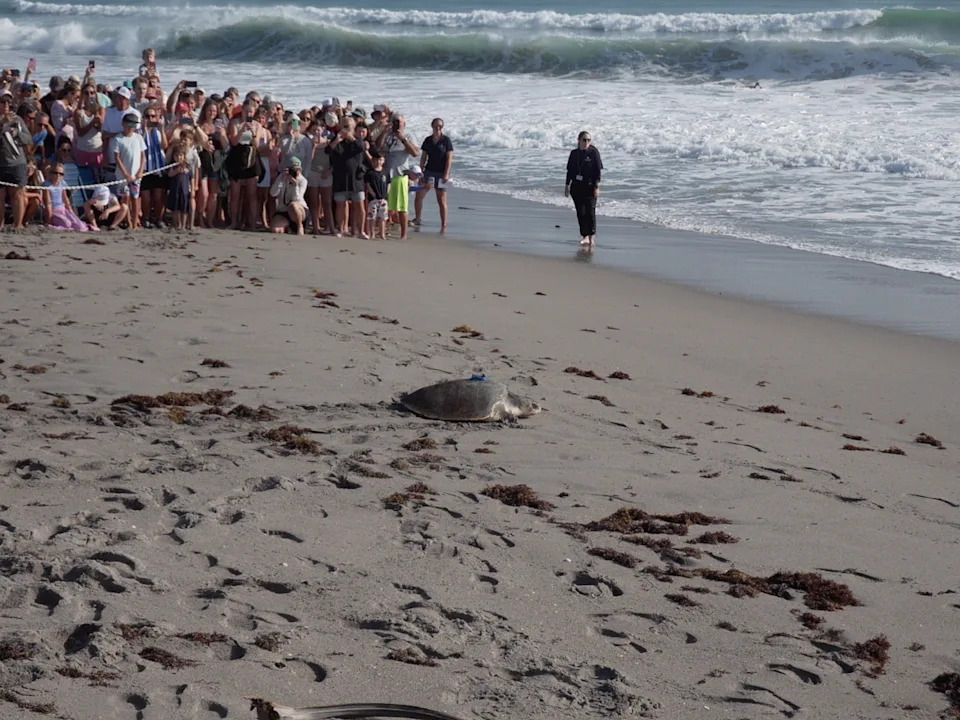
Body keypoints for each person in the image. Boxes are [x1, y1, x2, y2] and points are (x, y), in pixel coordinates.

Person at [375, 112, 419, 240]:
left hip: (400, 174)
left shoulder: (408, 135)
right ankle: (382, 230)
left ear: (404, 124)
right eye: (394, 121)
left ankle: (404, 234)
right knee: (385, 205)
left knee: (402, 207)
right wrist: (384, 131)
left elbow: (415, 153)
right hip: (386, 175)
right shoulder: (387, 135)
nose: (397, 124)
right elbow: (377, 147)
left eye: (399, 122)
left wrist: (402, 138)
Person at [326, 116, 367, 238]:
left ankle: (361, 231)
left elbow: (361, 148)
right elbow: (328, 151)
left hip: (355, 179)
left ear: (353, 127)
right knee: (340, 205)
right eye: (343, 125)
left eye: (348, 126)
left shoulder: (357, 140)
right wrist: (336, 140)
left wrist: (350, 137)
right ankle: (340, 229)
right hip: (340, 178)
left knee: (359, 205)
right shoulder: (336, 139)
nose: (345, 128)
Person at [414, 117, 454, 231]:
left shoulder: (446, 140)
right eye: (436, 125)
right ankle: (417, 219)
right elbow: (423, 157)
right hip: (429, 172)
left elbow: (449, 159)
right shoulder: (428, 140)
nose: (438, 128)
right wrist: (420, 172)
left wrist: (446, 174)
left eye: (440, 126)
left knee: (441, 200)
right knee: (419, 195)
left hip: (441, 174)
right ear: (432, 126)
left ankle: (444, 224)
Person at [0, 90, 32, 229]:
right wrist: (2, 126)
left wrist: (17, 132)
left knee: (18, 195)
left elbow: (28, 138)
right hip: (1, 162)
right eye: (3, 101)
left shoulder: (17, 119)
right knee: (0, 196)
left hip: (17, 161)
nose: (6, 105)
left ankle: (18, 226)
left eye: (9, 102)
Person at [564, 130, 602, 246]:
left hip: (590, 187)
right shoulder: (574, 154)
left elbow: (597, 171)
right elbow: (570, 171)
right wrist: (567, 185)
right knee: (581, 213)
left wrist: (597, 186)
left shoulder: (593, 152)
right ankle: (584, 236)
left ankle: (591, 237)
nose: (586, 142)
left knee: (590, 212)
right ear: (579, 140)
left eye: (589, 140)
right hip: (576, 187)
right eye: (584, 140)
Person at [111, 112, 147, 229]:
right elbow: (117, 158)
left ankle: (135, 222)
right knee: (125, 198)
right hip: (122, 176)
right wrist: (125, 174)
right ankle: (128, 222)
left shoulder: (138, 138)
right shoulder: (118, 139)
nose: (131, 127)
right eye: (129, 124)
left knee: (135, 198)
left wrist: (140, 171)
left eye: (133, 125)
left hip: (136, 175)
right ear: (123, 124)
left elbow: (143, 156)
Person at [44, 163, 95, 230]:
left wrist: (71, 212)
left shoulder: (62, 183)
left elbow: (65, 198)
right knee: (67, 224)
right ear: (50, 173)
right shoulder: (47, 185)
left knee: (80, 226)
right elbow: (48, 203)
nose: (58, 175)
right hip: (54, 211)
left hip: (63, 209)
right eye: (55, 173)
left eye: (61, 174)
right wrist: (49, 219)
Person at [269, 156, 307, 234]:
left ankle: (300, 226)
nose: (296, 171)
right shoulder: (281, 177)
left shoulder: (303, 180)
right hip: (283, 211)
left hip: (298, 211)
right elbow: (273, 193)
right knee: (275, 230)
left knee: (293, 205)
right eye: (293, 169)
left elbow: (297, 198)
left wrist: (295, 185)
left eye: (298, 169)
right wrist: (281, 180)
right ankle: (287, 227)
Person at [364, 150, 389, 240]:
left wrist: (387, 193)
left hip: (383, 199)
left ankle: (382, 234)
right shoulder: (370, 173)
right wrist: (373, 194)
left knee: (383, 218)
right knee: (372, 217)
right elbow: (367, 185)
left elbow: (389, 183)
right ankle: (372, 233)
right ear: (373, 160)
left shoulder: (385, 172)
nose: (378, 162)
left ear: (383, 161)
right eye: (376, 160)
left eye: (380, 160)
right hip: (373, 199)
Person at [166, 147, 192, 229]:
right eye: (176, 156)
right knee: (175, 208)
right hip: (175, 190)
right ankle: (176, 224)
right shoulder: (172, 166)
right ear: (173, 157)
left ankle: (183, 225)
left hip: (184, 191)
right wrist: (176, 171)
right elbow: (169, 174)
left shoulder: (188, 166)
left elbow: (191, 178)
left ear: (184, 156)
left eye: (180, 155)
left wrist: (192, 189)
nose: (178, 157)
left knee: (184, 209)